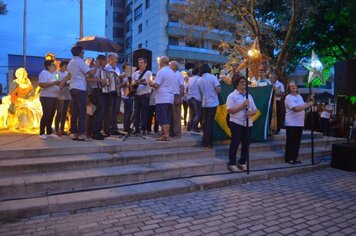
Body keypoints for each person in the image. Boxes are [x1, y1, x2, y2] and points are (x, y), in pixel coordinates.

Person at [67, 45, 98, 141]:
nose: (84, 54)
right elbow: (91, 73)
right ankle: (81, 133)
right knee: (82, 111)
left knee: (75, 111)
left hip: (72, 88)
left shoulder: (70, 62)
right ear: (80, 52)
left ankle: (73, 132)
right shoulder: (80, 62)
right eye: (83, 52)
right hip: (80, 88)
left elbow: (69, 75)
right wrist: (96, 66)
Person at [227, 76, 257, 172]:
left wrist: (251, 112)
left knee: (246, 144)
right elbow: (230, 110)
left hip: (248, 123)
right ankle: (232, 163)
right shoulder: (232, 96)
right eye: (242, 82)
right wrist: (243, 105)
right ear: (237, 84)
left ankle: (242, 162)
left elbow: (255, 109)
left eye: (245, 82)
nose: (244, 83)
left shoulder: (249, 96)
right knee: (235, 143)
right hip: (236, 122)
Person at [284, 81, 314, 164]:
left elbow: (303, 106)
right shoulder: (288, 97)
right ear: (289, 89)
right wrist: (308, 104)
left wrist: (310, 101)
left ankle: (295, 157)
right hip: (291, 123)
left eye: (294, 86)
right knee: (291, 141)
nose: (293, 87)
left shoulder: (300, 96)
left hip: (300, 123)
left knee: (297, 141)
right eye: (291, 86)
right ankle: (289, 158)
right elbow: (296, 109)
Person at [149, 56, 175, 141]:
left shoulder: (161, 72)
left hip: (162, 98)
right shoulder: (172, 72)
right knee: (167, 117)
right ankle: (165, 134)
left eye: (159, 62)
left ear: (161, 62)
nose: (158, 64)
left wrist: (150, 82)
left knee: (161, 117)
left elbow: (156, 85)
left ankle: (166, 135)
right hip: (170, 97)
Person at [198, 64, 221, 148]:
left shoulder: (199, 79)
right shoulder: (212, 77)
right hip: (212, 102)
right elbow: (218, 90)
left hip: (204, 102)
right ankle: (207, 141)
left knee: (204, 121)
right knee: (209, 122)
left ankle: (205, 139)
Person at [38, 60, 62, 140]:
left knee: (52, 114)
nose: (55, 66)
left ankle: (49, 131)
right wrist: (53, 83)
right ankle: (41, 132)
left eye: (55, 65)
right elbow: (41, 84)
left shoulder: (56, 74)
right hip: (46, 96)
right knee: (46, 114)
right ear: (48, 66)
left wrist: (63, 83)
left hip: (55, 96)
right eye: (53, 65)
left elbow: (58, 82)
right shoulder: (44, 73)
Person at [104, 53, 124, 136]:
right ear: (109, 59)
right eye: (114, 58)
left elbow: (118, 80)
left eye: (116, 58)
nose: (116, 60)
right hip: (110, 92)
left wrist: (121, 79)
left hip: (117, 92)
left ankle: (114, 128)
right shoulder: (106, 68)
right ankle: (107, 128)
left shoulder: (117, 69)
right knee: (109, 110)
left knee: (115, 111)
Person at [89, 54, 107, 140]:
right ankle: (95, 132)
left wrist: (105, 82)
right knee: (98, 112)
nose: (106, 63)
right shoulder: (94, 69)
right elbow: (89, 78)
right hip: (95, 91)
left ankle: (98, 130)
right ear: (101, 61)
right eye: (105, 61)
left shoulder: (102, 70)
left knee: (101, 112)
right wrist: (100, 80)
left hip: (101, 91)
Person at [131, 58, 152, 134]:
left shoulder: (148, 72)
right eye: (139, 63)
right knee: (136, 113)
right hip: (137, 95)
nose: (140, 64)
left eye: (142, 63)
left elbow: (148, 82)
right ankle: (137, 129)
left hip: (144, 95)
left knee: (144, 113)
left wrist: (139, 82)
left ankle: (143, 129)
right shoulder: (135, 73)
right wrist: (134, 83)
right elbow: (131, 81)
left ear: (145, 64)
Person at [54, 60, 71, 136]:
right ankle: (57, 129)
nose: (66, 68)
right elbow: (57, 82)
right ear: (63, 66)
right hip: (60, 94)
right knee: (59, 112)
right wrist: (63, 84)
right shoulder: (57, 73)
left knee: (65, 112)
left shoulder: (68, 73)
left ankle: (62, 129)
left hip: (67, 94)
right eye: (66, 66)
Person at [169, 61, 184, 138]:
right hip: (170, 95)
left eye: (170, 65)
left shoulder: (179, 75)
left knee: (176, 116)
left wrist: (179, 98)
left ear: (174, 66)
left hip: (176, 95)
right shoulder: (171, 74)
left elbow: (182, 87)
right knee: (170, 115)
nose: (169, 66)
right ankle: (171, 132)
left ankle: (177, 133)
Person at [187, 67, 202, 133]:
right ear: (198, 72)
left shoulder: (190, 79)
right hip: (196, 98)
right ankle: (194, 128)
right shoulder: (199, 79)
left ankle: (189, 127)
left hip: (189, 98)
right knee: (198, 114)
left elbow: (187, 89)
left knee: (191, 114)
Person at [120, 62, 134, 133]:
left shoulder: (130, 75)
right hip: (125, 96)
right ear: (124, 68)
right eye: (127, 67)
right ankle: (126, 127)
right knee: (126, 112)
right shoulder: (122, 75)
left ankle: (128, 126)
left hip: (130, 96)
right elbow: (120, 85)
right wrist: (125, 83)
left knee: (130, 111)